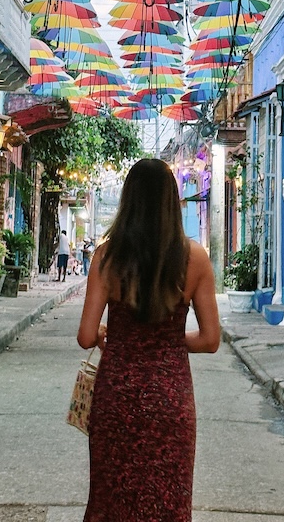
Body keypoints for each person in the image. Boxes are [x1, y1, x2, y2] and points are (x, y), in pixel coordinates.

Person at [76, 158, 220, 522]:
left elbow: (86, 336)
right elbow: (210, 339)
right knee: (167, 503)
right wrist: (169, 342)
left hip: (117, 399)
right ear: (172, 202)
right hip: (171, 398)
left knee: (112, 502)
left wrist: (117, 336)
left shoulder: (107, 257)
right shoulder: (195, 259)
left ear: (128, 200)